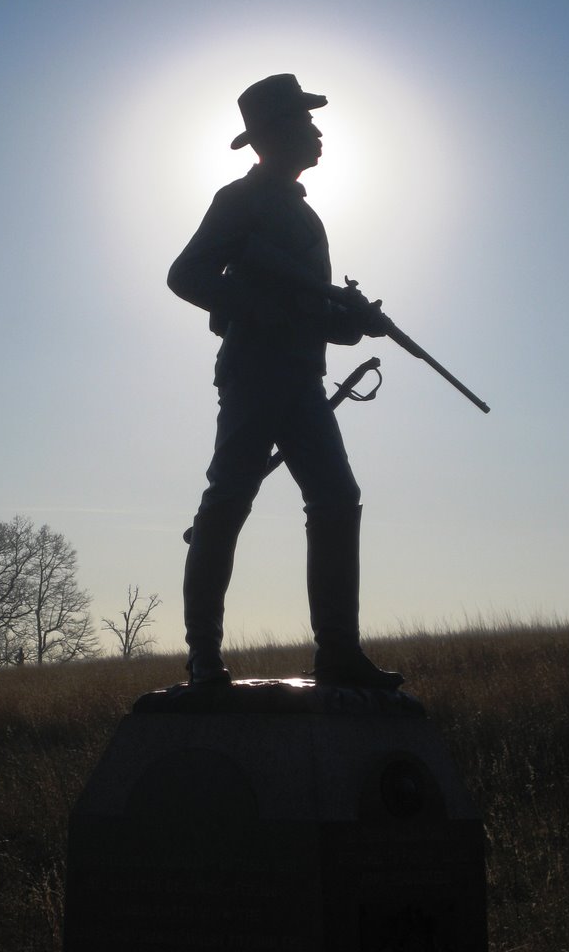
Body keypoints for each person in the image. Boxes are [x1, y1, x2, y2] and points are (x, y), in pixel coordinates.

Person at [168, 73, 404, 689]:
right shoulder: (238, 201)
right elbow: (186, 275)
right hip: (253, 375)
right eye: (305, 121)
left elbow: (307, 312)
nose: (319, 132)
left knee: (335, 500)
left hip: (301, 378)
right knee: (227, 504)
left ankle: (338, 653)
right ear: (275, 136)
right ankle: (203, 656)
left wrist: (351, 324)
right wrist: (258, 309)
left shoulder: (305, 214)